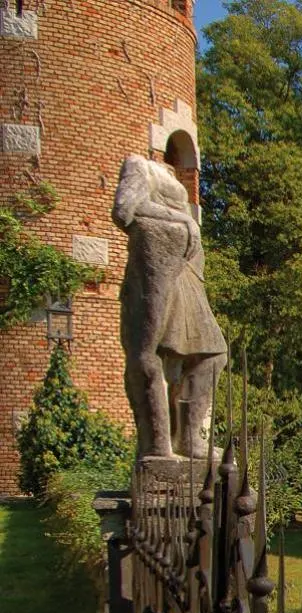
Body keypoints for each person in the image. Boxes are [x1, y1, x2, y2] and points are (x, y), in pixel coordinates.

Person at [113, 153, 227, 459]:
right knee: (147, 354)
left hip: (187, 272)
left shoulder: (169, 173)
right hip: (158, 265)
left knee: (213, 353)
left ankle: (189, 438)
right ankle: (157, 444)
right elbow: (124, 211)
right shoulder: (138, 164)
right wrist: (180, 220)